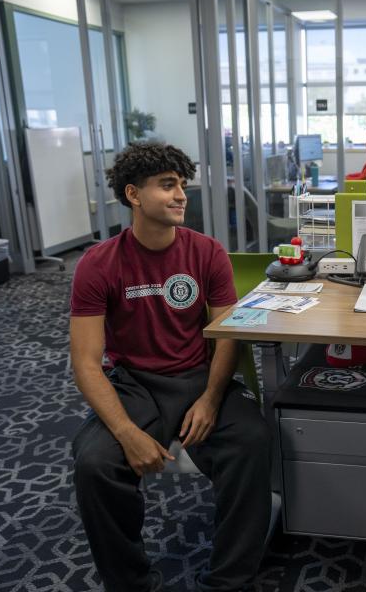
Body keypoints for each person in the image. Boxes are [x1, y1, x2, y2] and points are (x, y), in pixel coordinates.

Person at [70, 142, 271, 592]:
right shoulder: (98, 264)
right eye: (167, 185)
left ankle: (229, 579)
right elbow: (85, 362)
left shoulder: (207, 251)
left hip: (198, 375)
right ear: (133, 195)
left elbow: (227, 333)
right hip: (136, 384)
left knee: (252, 440)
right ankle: (129, 582)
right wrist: (125, 432)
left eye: (182, 184)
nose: (181, 195)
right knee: (95, 464)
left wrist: (211, 398)